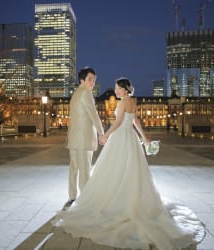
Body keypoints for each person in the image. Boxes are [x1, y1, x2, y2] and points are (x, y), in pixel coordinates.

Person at [52, 77, 205, 249]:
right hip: (131, 139)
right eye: (116, 89)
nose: (116, 91)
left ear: (125, 89)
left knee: (113, 169)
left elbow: (118, 123)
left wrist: (105, 135)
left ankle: (117, 200)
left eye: (118, 88)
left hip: (120, 138)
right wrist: (145, 139)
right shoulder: (133, 101)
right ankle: (130, 198)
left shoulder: (123, 102)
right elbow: (135, 121)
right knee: (132, 170)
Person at [64, 67, 104, 209]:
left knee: (74, 168)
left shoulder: (75, 94)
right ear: (82, 80)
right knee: (85, 170)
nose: (93, 82)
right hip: (84, 138)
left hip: (74, 138)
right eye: (90, 79)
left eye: (94, 80)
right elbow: (94, 115)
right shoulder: (86, 94)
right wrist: (101, 133)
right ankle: (85, 200)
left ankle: (72, 197)